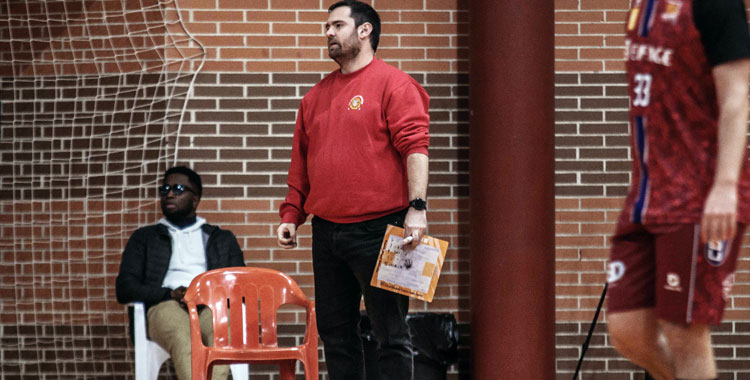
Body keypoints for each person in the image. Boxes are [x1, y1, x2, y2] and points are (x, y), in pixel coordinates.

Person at [276, 1, 430, 379]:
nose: (328, 33)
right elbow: (302, 162)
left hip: (383, 230)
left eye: (337, 25)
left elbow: (416, 148)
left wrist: (417, 208)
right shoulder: (315, 97)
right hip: (327, 233)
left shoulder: (394, 83)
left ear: (365, 31)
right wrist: (292, 214)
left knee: (390, 334)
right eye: (327, 27)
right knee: (335, 334)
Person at [606, 1, 750, 379]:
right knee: (627, 328)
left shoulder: (714, 5)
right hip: (647, 193)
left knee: (684, 332)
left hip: (697, 193)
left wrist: (725, 186)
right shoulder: (643, 5)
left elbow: (737, 95)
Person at [116, 166, 245, 380]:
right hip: (165, 305)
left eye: (177, 189)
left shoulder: (221, 239)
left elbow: (240, 287)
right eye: (164, 188)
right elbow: (125, 288)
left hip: (210, 305)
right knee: (184, 337)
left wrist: (207, 293)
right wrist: (169, 294)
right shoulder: (144, 238)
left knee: (222, 335)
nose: (168, 194)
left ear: (195, 199)